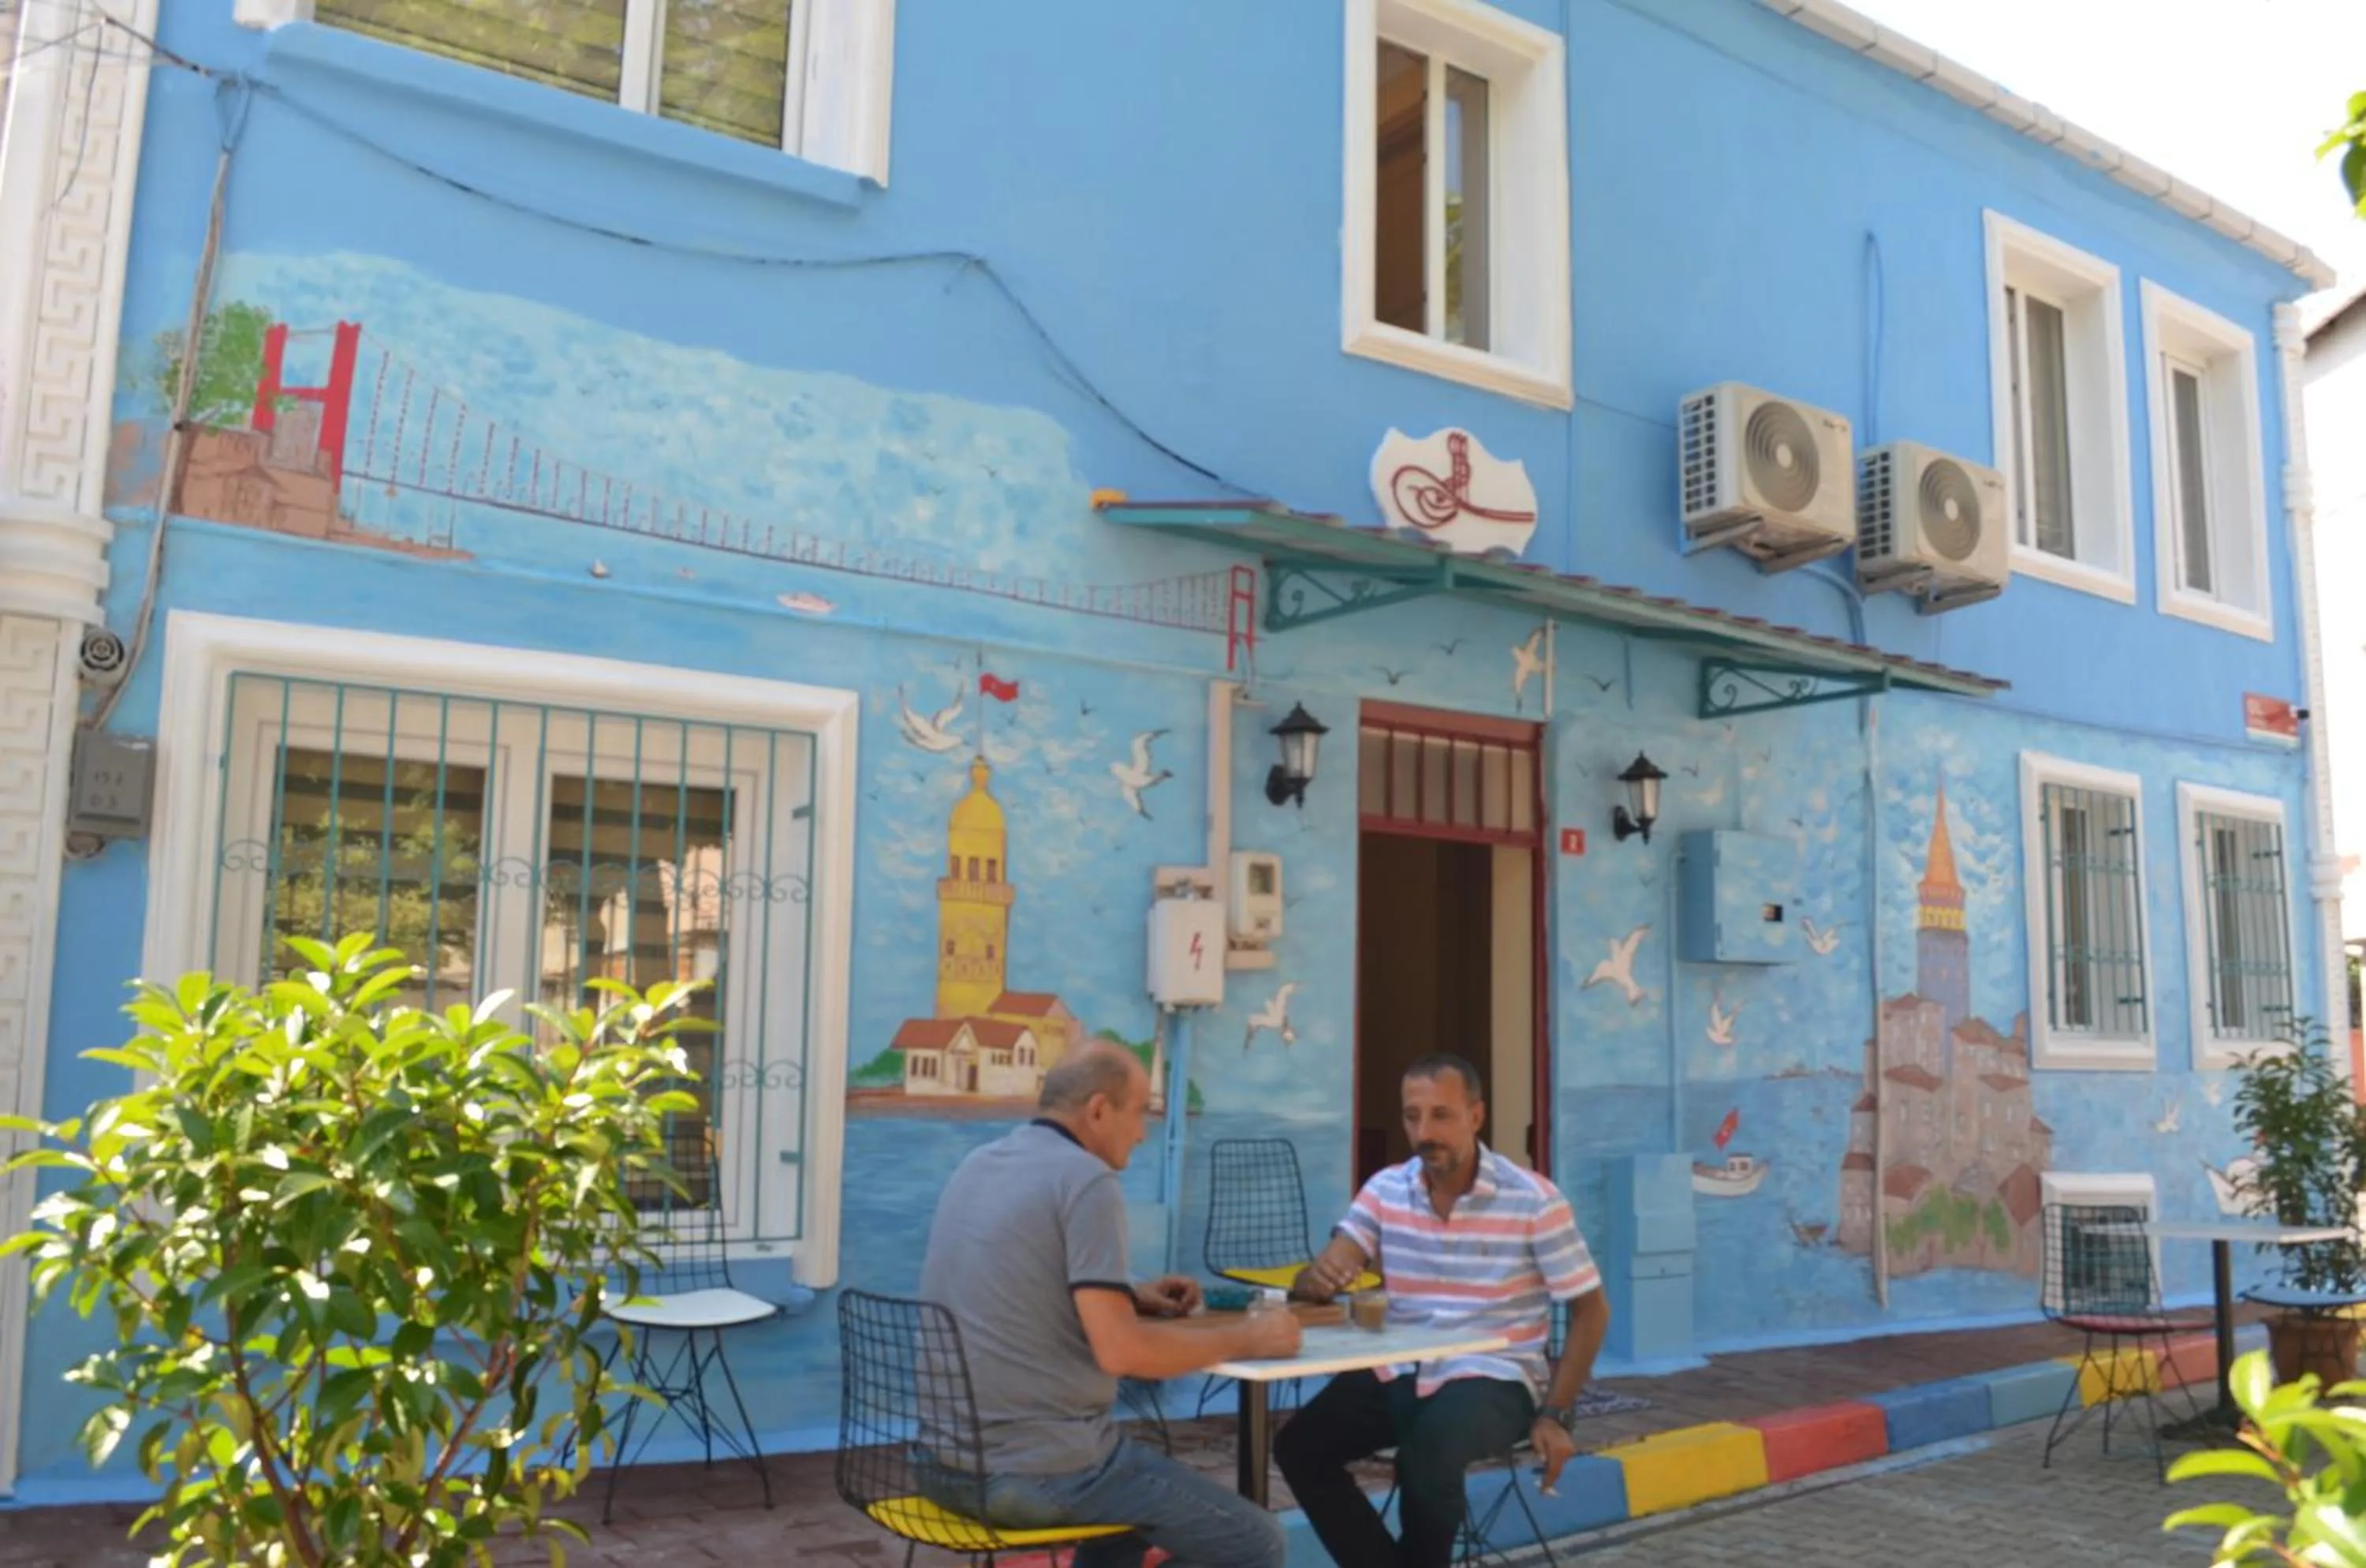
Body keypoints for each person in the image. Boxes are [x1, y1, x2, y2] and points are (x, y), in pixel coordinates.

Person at [916, 1040, 1299, 1568]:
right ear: (1099, 1110)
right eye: (1140, 1112)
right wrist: (1252, 1336)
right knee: (1255, 1542)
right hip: (1036, 1476)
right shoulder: (1086, 1178)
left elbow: (1011, 1278)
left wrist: (1125, 1291)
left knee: (1125, 1533)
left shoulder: (979, 1163)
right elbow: (1123, 1352)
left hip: (940, 1466)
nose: (1143, 1133)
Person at [1276, 1053, 1610, 1568]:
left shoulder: (1533, 1200)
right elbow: (1336, 1260)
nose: (1425, 1131)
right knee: (1299, 1447)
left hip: (1496, 1372)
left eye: (1441, 1115)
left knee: (1428, 1453)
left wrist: (1556, 1414)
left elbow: (1591, 1311)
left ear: (1476, 1116)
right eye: (1413, 1116)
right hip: (1402, 1366)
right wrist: (1324, 1273)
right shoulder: (1387, 1189)